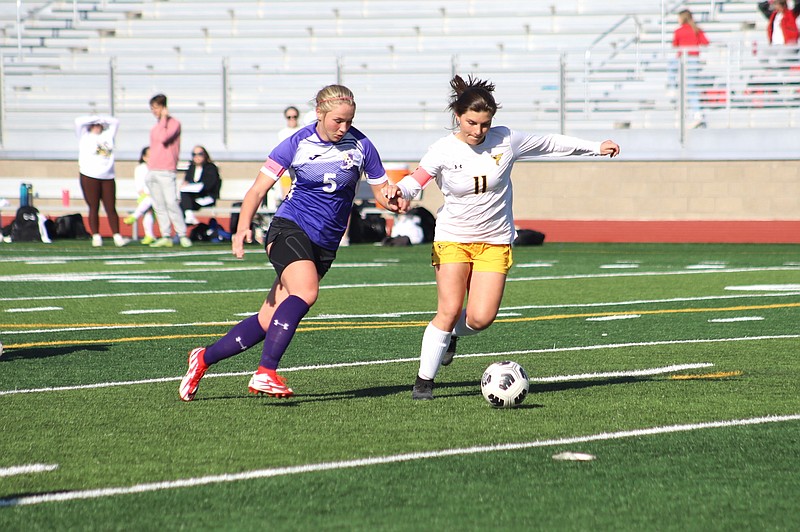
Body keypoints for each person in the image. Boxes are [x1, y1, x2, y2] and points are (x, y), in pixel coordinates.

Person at [386, 75, 620, 400]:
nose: (478, 131)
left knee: (481, 318)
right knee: (450, 308)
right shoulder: (442, 149)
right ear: (458, 115)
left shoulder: (506, 140)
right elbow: (417, 180)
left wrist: (595, 147)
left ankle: (451, 336)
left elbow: (550, 143)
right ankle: (424, 381)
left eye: (484, 124)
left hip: (495, 240)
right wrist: (399, 192)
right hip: (453, 238)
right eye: (471, 123)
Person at [178, 84, 409, 402]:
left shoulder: (362, 145)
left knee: (265, 320)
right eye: (337, 121)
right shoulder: (297, 144)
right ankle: (265, 372)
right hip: (289, 228)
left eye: (349, 121)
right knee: (306, 292)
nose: (343, 128)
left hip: (325, 244)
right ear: (319, 113)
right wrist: (242, 227)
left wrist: (394, 200)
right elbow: (257, 191)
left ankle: (202, 359)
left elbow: (382, 190)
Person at [74, 114, 128, 247]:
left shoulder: (108, 136)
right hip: (89, 175)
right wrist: (94, 118)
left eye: (99, 125)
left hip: (108, 176)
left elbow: (116, 121)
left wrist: (101, 119)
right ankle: (96, 236)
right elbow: (78, 121)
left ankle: (116, 235)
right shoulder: (85, 136)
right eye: (95, 125)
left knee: (111, 207)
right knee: (94, 206)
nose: (97, 127)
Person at [147, 93, 192, 248]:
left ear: (164, 108)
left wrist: (165, 119)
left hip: (166, 170)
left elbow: (164, 138)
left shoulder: (173, 124)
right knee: (159, 205)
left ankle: (182, 234)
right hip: (153, 169)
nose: (154, 111)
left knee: (171, 203)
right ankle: (165, 234)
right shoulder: (155, 127)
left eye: (156, 108)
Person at [672, 9, 710, 128]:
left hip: (684, 60)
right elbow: (706, 42)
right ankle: (696, 113)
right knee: (691, 87)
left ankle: (672, 88)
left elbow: (675, 46)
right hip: (694, 59)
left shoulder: (679, 31)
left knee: (686, 88)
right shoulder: (696, 30)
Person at [124, 146, 159, 245]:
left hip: (157, 197)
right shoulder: (140, 168)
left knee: (149, 205)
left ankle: (135, 216)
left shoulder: (158, 168)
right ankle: (149, 235)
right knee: (148, 206)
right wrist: (143, 192)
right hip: (145, 196)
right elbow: (139, 184)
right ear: (144, 157)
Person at [180, 145, 221, 225]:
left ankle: (186, 225)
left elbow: (209, 185)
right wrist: (187, 185)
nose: (197, 157)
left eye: (200, 154)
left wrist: (195, 187)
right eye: (194, 154)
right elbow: (187, 181)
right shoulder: (192, 168)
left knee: (183, 204)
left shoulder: (211, 168)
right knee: (181, 201)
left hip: (206, 196)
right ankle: (184, 227)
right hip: (193, 198)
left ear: (205, 155)